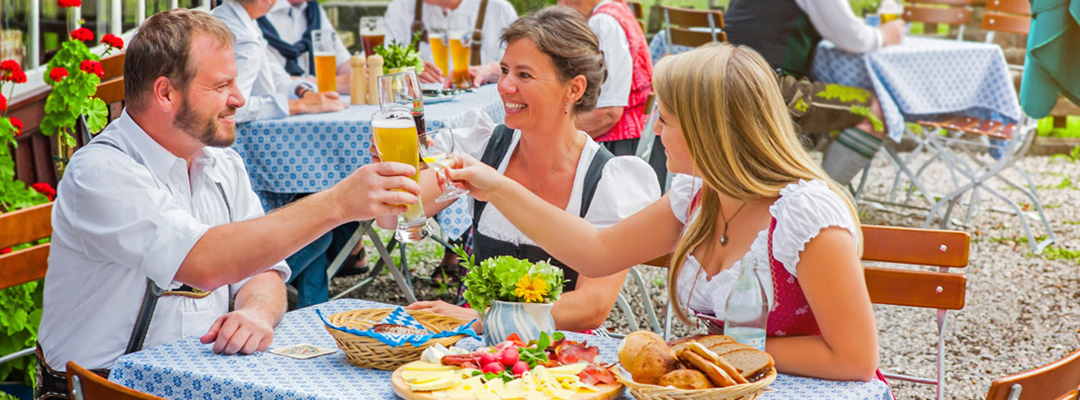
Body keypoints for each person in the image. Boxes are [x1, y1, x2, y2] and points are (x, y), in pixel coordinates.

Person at [445, 43, 887, 384]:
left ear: (710, 131)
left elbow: (854, 360)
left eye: (667, 120)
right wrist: (497, 186)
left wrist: (713, 348)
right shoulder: (697, 196)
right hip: (729, 385)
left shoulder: (804, 215)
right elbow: (596, 252)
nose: (654, 131)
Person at [35, 9, 419, 400]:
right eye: (221, 86)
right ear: (165, 93)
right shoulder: (100, 171)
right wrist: (338, 203)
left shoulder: (220, 162)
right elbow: (205, 262)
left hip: (200, 383)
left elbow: (264, 269)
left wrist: (255, 311)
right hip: (106, 390)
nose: (239, 98)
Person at [395, 7, 660, 333]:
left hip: (561, 357)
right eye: (504, 70)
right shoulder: (484, 147)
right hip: (479, 347)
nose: (504, 86)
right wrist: (391, 172)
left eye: (524, 75)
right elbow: (397, 214)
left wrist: (483, 318)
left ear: (574, 89)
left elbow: (592, 307)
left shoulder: (607, 179)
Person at [723, 0, 906, 186]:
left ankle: (783, 178)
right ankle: (824, 201)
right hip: (770, 89)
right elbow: (851, 36)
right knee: (872, 111)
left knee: (830, 106)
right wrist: (882, 35)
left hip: (725, 82)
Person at [212, 0, 346, 123]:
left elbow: (276, 78)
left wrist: (305, 94)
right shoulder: (246, 42)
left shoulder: (234, 18)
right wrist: (299, 105)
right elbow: (231, 107)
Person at [559, 0, 652, 157]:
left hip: (620, 145)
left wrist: (554, 138)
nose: (560, 4)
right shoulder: (614, 9)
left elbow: (608, 112)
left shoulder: (603, 22)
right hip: (630, 137)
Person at [383, 0, 517, 85]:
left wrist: (489, 71)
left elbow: (521, 67)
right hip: (419, 112)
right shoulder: (399, 8)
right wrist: (406, 71)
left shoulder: (499, 10)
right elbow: (380, 63)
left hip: (482, 117)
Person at [259, 0, 353, 93]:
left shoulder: (313, 10)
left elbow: (342, 63)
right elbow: (266, 81)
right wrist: (336, 83)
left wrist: (360, 75)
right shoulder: (254, 12)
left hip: (315, 103)